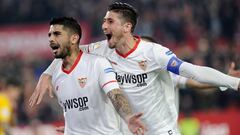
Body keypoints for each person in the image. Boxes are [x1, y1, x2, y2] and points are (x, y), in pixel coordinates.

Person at [30, 2, 240, 135]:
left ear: (127, 27)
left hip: (159, 131)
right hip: (127, 130)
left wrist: (232, 82)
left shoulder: (153, 53)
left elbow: (192, 72)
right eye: (103, 21)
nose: (103, 26)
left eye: (110, 21)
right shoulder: (101, 50)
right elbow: (68, 50)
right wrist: (47, 74)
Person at [35, 16, 146, 135]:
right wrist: (72, 128)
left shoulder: (97, 63)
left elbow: (115, 94)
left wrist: (128, 117)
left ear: (74, 38)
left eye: (57, 34)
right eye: (49, 35)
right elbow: (74, 109)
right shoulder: (56, 74)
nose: (51, 39)